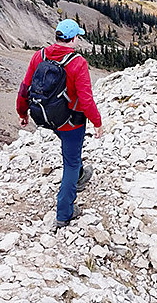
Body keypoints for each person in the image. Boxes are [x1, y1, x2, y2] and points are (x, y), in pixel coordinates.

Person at [17, 18, 103, 229]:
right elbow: (85, 100)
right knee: (70, 164)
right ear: (73, 39)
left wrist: (22, 112)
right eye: (77, 37)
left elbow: (25, 88)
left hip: (48, 117)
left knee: (71, 154)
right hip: (72, 122)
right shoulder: (78, 62)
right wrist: (97, 122)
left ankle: (81, 174)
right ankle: (65, 213)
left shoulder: (40, 55)